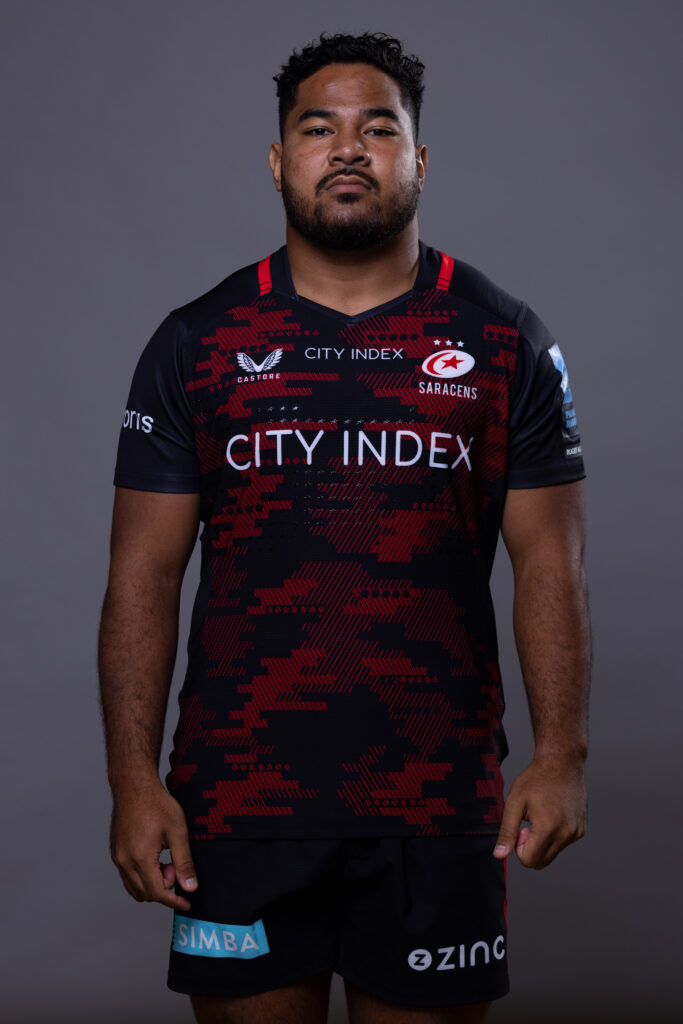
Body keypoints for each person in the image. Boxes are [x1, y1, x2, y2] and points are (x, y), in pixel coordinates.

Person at [98, 30, 591, 1024]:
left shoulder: (503, 340)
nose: (349, 148)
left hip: (436, 803)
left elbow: (550, 560)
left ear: (420, 158)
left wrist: (559, 756)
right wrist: (133, 782)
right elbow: (142, 575)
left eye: (379, 127)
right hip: (237, 804)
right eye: (318, 128)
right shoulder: (199, 341)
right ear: (279, 160)